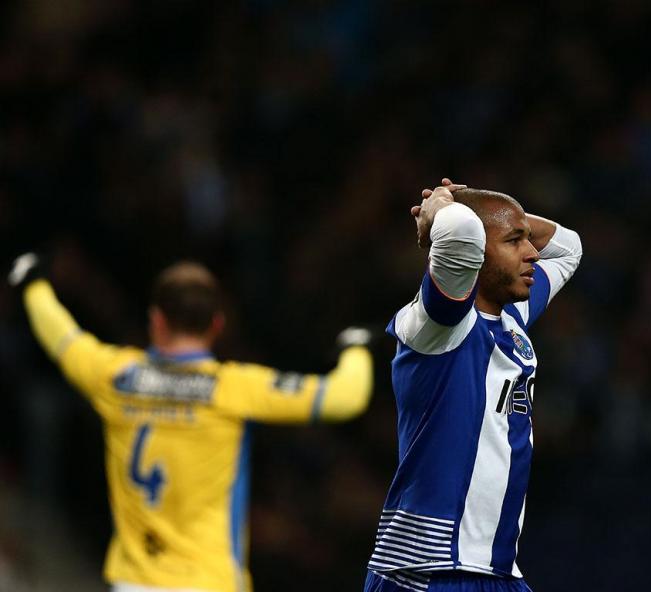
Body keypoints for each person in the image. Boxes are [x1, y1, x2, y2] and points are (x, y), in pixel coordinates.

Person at [8, 255, 374, 592]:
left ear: (156, 320)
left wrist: (33, 284)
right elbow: (344, 398)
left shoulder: (114, 375)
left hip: (133, 581)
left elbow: (62, 336)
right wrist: (355, 348)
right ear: (217, 325)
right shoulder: (232, 388)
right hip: (208, 581)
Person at [364, 179, 582, 592]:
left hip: (496, 571)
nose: (533, 252)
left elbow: (569, 247)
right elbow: (461, 231)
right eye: (514, 241)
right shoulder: (437, 323)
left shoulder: (512, 316)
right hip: (429, 568)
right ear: (476, 253)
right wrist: (440, 209)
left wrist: (494, 213)